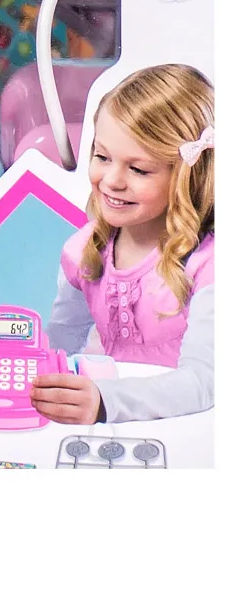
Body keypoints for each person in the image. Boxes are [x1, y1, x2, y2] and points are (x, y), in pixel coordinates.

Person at [30, 64, 214, 424]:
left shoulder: (209, 264)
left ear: (186, 176)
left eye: (138, 169)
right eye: (102, 157)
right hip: (110, 421)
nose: (111, 180)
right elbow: (61, 341)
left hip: (188, 427)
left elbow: (205, 381)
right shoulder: (84, 250)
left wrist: (106, 401)